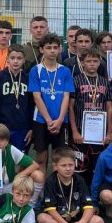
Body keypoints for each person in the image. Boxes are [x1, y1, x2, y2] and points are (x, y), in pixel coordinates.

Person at [37, 147, 105, 223]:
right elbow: (51, 210)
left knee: (99, 221)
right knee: (42, 218)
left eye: (71, 165)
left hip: (76, 219)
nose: (68, 168)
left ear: (75, 164)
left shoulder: (80, 180)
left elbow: (89, 207)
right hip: (57, 219)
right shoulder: (50, 181)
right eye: (63, 165)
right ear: (55, 166)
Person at [29, 33, 74, 173]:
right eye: (48, 48)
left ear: (60, 49)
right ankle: (41, 186)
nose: (52, 51)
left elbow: (66, 96)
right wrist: (49, 120)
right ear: (41, 49)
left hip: (61, 121)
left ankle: (57, 186)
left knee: (60, 158)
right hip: (41, 120)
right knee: (41, 157)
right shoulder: (35, 70)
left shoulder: (65, 71)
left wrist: (59, 120)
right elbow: (37, 97)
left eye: (55, 47)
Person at [68, 49, 112, 184]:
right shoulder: (76, 80)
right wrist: (74, 131)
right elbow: (70, 107)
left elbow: (109, 108)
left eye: (95, 61)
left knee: (97, 168)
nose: (92, 64)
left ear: (100, 63)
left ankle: (95, 194)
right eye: (88, 61)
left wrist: (109, 133)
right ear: (82, 63)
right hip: (80, 132)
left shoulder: (105, 82)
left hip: (100, 134)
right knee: (79, 167)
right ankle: (80, 194)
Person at [0, 123, 43, 207]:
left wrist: (19, 175)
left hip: (10, 184)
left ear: (7, 141)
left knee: (38, 175)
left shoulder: (11, 150)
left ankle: (29, 206)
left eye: (2, 140)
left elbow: (35, 165)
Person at [0, 44, 32, 152]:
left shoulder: (27, 78)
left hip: (22, 127)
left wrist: (31, 127)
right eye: (12, 58)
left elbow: (32, 104)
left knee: (20, 157)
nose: (15, 61)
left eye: (19, 58)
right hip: (2, 126)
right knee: (1, 156)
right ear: (7, 59)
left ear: (24, 60)